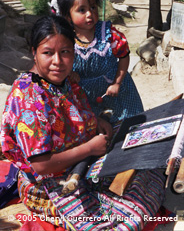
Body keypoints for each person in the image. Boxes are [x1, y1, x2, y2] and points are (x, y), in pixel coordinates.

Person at [0, 15, 165, 231]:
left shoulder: (65, 80)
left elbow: (69, 110)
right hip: (49, 184)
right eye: (48, 53)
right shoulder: (28, 99)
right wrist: (89, 148)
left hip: (81, 161)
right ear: (34, 52)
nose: (57, 61)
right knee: (122, 218)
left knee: (146, 159)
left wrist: (95, 121)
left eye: (65, 52)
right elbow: (41, 165)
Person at [57, 0, 144, 127]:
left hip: (117, 91)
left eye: (93, 7)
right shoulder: (65, 40)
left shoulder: (109, 34)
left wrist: (117, 83)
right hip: (85, 96)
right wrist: (69, 73)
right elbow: (59, 62)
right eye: (82, 10)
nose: (90, 14)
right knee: (95, 129)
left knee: (130, 125)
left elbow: (123, 57)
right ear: (67, 16)